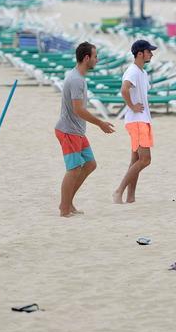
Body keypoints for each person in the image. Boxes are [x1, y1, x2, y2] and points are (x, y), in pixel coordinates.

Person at [55, 41, 115, 217]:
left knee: (90, 164)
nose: (97, 59)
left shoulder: (79, 77)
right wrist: (101, 124)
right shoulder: (76, 80)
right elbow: (78, 109)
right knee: (73, 169)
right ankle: (64, 209)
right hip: (67, 130)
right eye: (95, 56)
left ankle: (67, 203)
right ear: (86, 58)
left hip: (77, 131)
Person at [114, 39, 156, 204]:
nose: (151, 54)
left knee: (135, 160)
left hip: (142, 120)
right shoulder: (132, 71)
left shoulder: (142, 72)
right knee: (145, 160)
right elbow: (124, 89)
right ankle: (118, 191)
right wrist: (131, 106)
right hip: (137, 121)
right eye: (149, 51)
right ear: (140, 53)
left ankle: (130, 196)